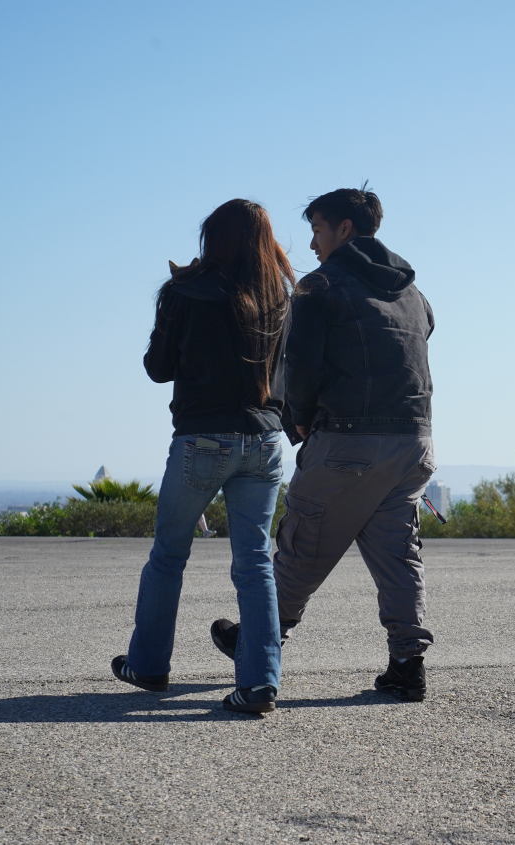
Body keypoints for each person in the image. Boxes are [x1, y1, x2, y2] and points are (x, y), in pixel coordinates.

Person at [211, 186, 436, 702]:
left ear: (344, 229)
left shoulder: (320, 287)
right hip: (414, 441)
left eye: (317, 230)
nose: (312, 244)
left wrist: (299, 421)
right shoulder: (413, 293)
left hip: (347, 441)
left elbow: (301, 363)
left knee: (301, 546)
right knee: (398, 555)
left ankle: (258, 643)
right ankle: (408, 665)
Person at [112, 199, 293, 715]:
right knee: (255, 563)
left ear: (211, 240)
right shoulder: (281, 297)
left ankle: (148, 665)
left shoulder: (184, 292)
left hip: (201, 439)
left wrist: (171, 302)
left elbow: (158, 368)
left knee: (169, 555)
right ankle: (260, 683)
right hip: (265, 439)